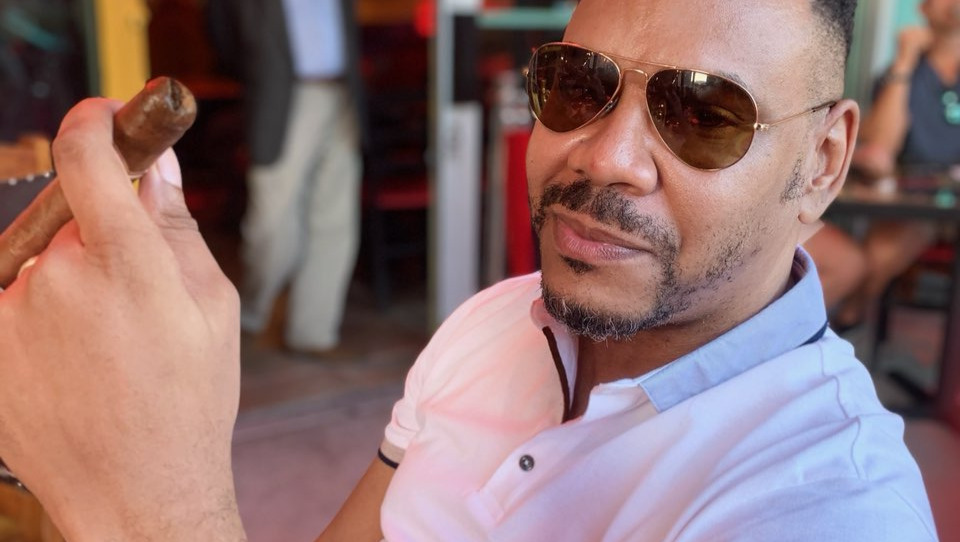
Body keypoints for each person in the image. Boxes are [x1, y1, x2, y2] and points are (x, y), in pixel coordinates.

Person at [0, 0, 940, 540]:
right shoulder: (493, 321)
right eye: (578, 85)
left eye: (703, 115)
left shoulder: (828, 506)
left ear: (822, 162)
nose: (605, 156)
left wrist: (155, 509)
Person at [208, 0, 364, 356]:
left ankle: (313, 333)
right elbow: (223, 33)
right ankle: (250, 315)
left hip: (342, 94)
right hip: (283, 98)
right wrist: (257, 74)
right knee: (272, 223)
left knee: (335, 221)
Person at [806, 0, 960, 327]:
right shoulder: (903, 73)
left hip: (943, 203)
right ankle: (848, 318)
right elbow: (881, 147)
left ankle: (847, 316)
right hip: (909, 203)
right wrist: (905, 60)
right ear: (925, 9)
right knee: (876, 252)